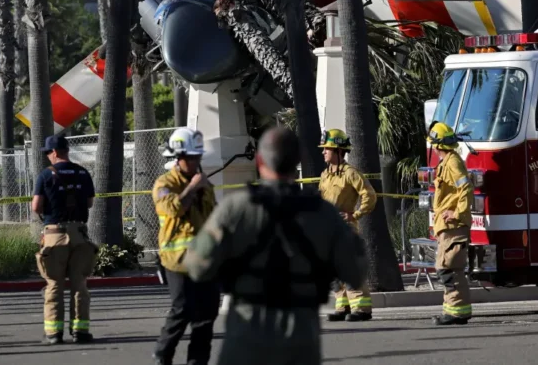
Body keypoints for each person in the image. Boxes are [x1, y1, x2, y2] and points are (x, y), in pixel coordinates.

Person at [184, 127, 367, 365]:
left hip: (244, 340)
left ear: (259, 161)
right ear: (297, 161)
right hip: (300, 344)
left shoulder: (235, 208)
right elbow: (356, 270)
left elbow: (196, 266)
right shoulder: (324, 214)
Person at [152, 127, 218, 365]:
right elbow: (173, 209)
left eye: (197, 157)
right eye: (190, 157)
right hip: (177, 260)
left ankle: (197, 361)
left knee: (207, 313)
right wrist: (193, 188)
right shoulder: (165, 183)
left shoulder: (204, 184)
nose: (194, 162)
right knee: (182, 310)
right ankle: (163, 354)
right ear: (178, 157)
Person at [31, 134, 97, 345]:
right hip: (79, 234)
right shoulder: (83, 173)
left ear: (55, 152)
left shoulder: (45, 175)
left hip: (55, 236)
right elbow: (89, 203)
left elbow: (36, 207)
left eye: (48, 153)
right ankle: (80, 332)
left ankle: (54, 333)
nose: (48, 157)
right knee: (80, 284)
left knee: (54, 284)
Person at [317, 129, 376, 322]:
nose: (323, 152)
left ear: (339, 151)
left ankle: (362, 309)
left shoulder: (351, 173)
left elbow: (369, 195)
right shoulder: (325, 175)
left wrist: (356, 214)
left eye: (327, 148)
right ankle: (342, 306)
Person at [428, 122, 474, 326]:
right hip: (446, 227)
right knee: (448, 268)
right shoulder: (447, 162)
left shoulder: (453, 163)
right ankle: (453, 311)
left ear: (438, 146)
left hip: (454, 225)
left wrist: (457, 213)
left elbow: (466, 189)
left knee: (448, 268)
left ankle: (457, 312)